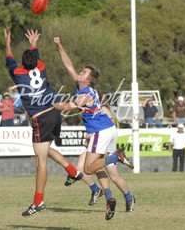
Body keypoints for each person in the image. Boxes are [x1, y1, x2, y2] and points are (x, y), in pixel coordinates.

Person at [53, 36, 135, 220]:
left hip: (101, 132)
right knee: (107, 172)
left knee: (88, 169)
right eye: (81, 71)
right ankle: (121, 198)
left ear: (89, 80)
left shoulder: (84, 95)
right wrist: (59, 45)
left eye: (84, 73)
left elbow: (68, 107)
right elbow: (68, 65)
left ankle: (116, 157)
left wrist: (51, 104)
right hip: (106, 131)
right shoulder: (83, 87)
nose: (80, 73)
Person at [4, 29, 83, 217]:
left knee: (40, 161)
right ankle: (73, 171)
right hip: (55, 114)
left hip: (40, 117)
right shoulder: (41, 66)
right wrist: (33, 43)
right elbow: (35, 55)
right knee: (45, 150)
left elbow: (8, 57)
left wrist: (7, 41)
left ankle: (38, 201)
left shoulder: (17, 72)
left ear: (23, 63)